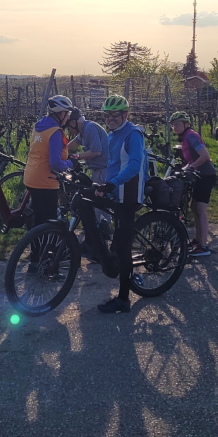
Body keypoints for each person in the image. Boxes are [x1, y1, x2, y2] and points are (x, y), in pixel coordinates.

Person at [88, 95, 148, 314]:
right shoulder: (113, 135)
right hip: (115, 190)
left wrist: (112, 183)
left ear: (126, 114)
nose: (110, 118)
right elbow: (111, 163)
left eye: (115, 115)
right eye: (107, 115)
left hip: (129, 194)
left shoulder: (133, 134)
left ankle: (123, 300)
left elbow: (133, 166)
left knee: (123, 249)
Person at [23, 94, 75, 227]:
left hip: (31, 177)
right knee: (48, 222)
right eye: (67, 113)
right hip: (46, 181)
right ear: (61, 114)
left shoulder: (38, 127)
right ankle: (47, 247)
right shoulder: (55, 132)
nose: (68, 117)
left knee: (37, 219)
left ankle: (36, 247)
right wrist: (71, 164)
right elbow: (55, 163)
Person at [169, 111, 217, 256]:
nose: (174, 127)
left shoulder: (190, 136)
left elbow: (205, 156)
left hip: (206, 175)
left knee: (201, 210)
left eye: (177, 124)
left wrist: (190, 167)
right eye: (172, 125)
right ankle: (197, 240)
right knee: (194, 207)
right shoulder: (187, 137)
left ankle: (203, 246)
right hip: (200, 175)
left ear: (186, 124)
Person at [66, 108, 108, 184]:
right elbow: (75, 142)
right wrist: (61, 151)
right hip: (97, 171)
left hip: (104, 171)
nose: (69, 130)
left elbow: (96, 152)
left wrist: (75, 156)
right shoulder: (83, 130)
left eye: (68, 127)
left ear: (73, 123)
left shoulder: (89, 128)